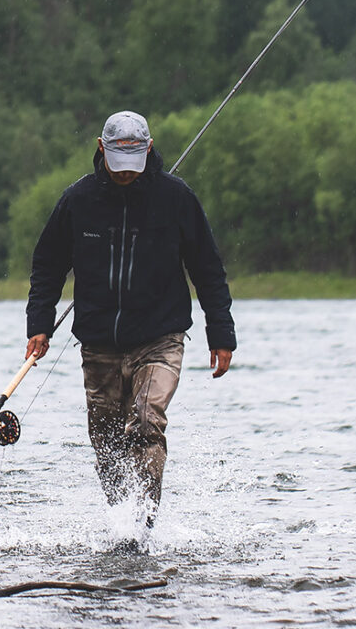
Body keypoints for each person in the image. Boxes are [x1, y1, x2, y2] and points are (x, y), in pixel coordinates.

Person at [24, 112, 236, 531]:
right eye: (117, 166)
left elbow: (208, 269)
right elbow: (47, 267)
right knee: (106, 442)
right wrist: (39, 324)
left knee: (144, 421)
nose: (125, 176)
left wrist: (221, 332)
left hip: (160, 337)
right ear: (102, 150)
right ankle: (123, 521)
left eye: (133, 166)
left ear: (149, 149)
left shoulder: (176, 199)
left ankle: (142, 524)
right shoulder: (77, 201)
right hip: (99, 343)